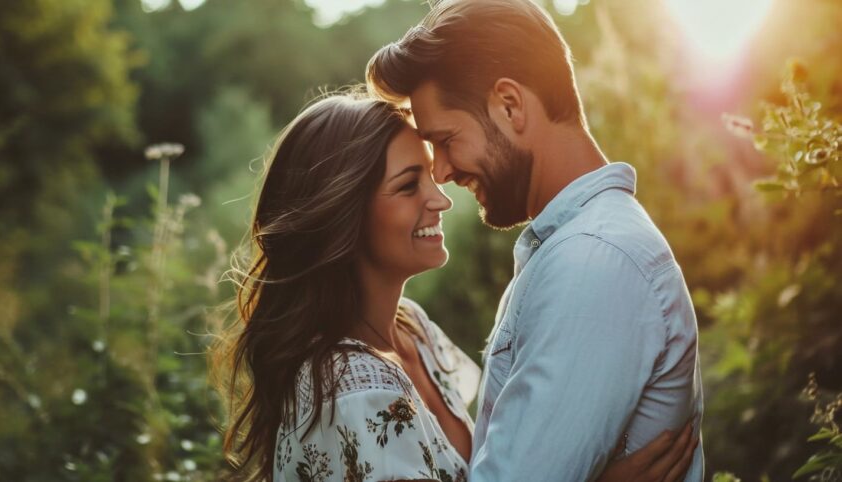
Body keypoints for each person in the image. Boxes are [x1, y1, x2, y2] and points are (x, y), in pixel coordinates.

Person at [211, 91, 696, 482]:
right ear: (343, 217)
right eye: (408, 186)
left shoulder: (414, 332)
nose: (440, 199)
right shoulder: (349, 394)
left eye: (430, 174)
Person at [366, 0, 705, 480]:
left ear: (510, 105)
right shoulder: (577, 246)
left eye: (445, 139)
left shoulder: (593, 262)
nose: (441, 170)